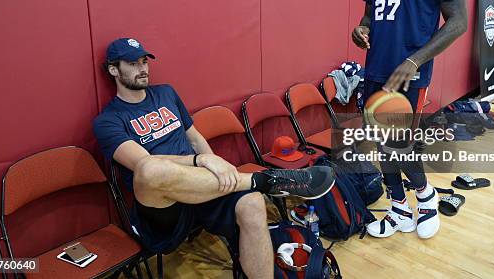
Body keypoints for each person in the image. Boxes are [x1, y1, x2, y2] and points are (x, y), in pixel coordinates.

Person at [93, 38, 335, 279]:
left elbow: (196, 139)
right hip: (164, 207)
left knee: (252, 204)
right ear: (114, 70)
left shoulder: (165, 94)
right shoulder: (107, 121)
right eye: (133, 64)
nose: (143, 69)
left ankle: (263, 186)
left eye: (144, 61)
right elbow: (142, 163)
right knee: (150, 169)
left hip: (204, 187)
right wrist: (201, 161)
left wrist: (215, 163)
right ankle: (266, 181)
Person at [351, 0, 468, 239]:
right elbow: (369, 18)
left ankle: (426, 198)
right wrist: (360, 31)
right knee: (380, 143)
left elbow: (458, 23)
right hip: (375, 73)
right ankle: (399, 208)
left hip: (410, 76)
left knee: (400, 145)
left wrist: (414, 60)